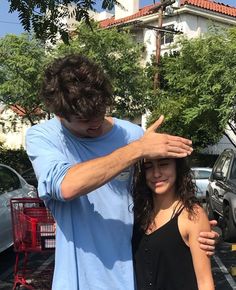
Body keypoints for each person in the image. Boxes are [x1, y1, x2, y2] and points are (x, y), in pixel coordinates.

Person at [26, 54, 217, 290]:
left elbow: (154, 199)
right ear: (60, 115)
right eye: (84, 120)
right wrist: (136, 149)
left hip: (132, 280)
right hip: (77, 282)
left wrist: (192, 229)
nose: (96, 124)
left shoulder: (132, 135)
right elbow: (66, 186)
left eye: (100, 113)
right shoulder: (44, 137)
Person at [132, 157, 215, 290]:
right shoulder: (137, 214)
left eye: (164, 165)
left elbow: (205, 283)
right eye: (148, 167)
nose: (156, 173)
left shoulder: (192, 215)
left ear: (178, 167)